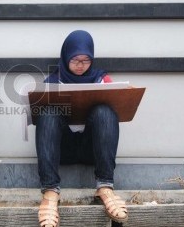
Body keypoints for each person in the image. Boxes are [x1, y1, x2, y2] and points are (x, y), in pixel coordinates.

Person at [36, 30, 128, 226]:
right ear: (65, 56)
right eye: (75, 59)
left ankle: (105, 187)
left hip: (92, 149)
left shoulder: (102, 79)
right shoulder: (53, 82)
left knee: (105, 111)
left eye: (86, 60)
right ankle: (50, 193)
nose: (80, 65)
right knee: (48, 112)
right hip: (62, 150)